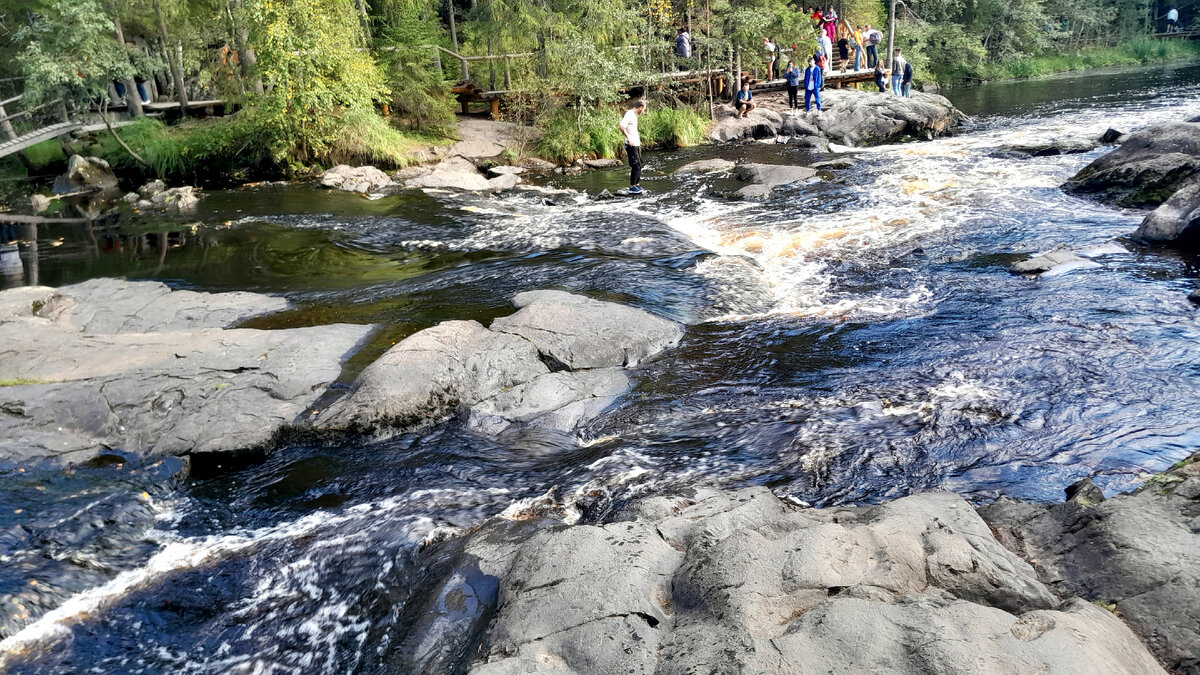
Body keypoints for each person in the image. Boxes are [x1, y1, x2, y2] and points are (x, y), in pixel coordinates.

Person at [619, 100, 646, 194]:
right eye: (643, 109)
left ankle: (637, 185)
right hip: (631, 144)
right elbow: (621, 126)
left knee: (639, 164)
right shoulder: (629, 114)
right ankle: (632, 187)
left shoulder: (633, 116)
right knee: (635, 165)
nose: (643, 111)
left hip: (636, 144)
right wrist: (628, 137)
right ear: (641, 107)